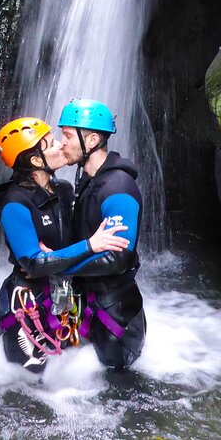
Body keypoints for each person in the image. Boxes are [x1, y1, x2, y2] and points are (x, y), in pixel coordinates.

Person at [0, 117, 130, 373]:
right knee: (29, 381)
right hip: (29, 302)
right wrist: (89, 246)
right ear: (35, 161)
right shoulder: (15, 204)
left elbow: (51, 257)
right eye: (51, 143)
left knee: (73, 371)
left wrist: (57, 260)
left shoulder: (64, 190)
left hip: (65, 297)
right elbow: (32, 262)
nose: (60, 146)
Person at [57, 99, 147, 370]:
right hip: (89, 305)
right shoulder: (88, 180)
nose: (62, 142)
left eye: (68, 136)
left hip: (116, 319)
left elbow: (117, 259)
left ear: (92, 140)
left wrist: (57, 263)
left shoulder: (119, 187)